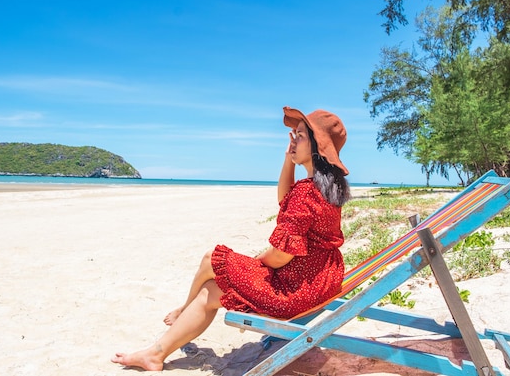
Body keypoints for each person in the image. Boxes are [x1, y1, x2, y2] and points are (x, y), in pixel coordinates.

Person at [111, 106, 352, 371]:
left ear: (318, 147)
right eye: (293, 134)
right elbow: (286, 201)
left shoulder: (307, 193)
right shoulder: (328, 188)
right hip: (320, 279)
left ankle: (179, 315)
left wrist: (257, 260)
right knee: (213, 290)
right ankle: (156, 351)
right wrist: (288, 159)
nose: (294, 140)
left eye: (301, 135)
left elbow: (281, 255)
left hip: (296, 289)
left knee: (212, 258)